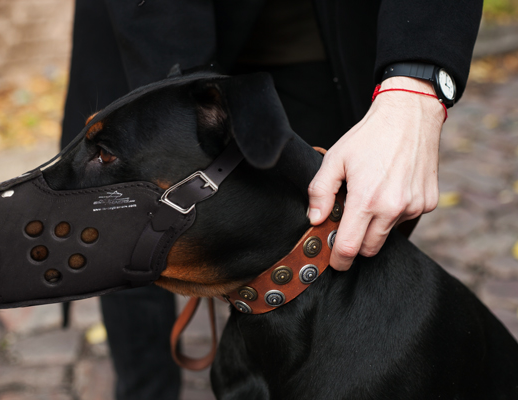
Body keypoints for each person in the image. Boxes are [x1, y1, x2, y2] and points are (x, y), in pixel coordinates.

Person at [60, 0, 482, 398]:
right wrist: (178, 93)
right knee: (124, 232)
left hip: (318, 37)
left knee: (334, 246)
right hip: (148, 24)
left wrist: (416, 89)